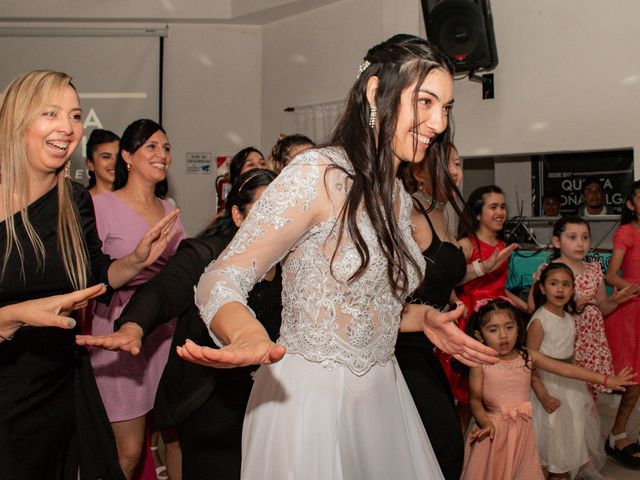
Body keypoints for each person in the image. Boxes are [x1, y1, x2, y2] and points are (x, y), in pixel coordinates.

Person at [177, 34, 496, 480]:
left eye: (445, 108)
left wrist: (420, 318)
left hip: (383, 395)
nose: (439, 123)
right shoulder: (317, 174)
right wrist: (245, 332)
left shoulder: (398, 198)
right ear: (374, 93)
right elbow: (221, 277)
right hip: (309, 404)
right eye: (425, 102)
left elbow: (360, 305)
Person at [0, 70, 179, 480]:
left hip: (63, 381)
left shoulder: (74, 199)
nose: (68, 128)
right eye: (50, 113)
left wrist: (135, 260)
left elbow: (96, 279)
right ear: (17, 120)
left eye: (75, 115)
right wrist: (15, 315)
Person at [77, 169, 280, 480]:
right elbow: (161, 292)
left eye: (282, 211)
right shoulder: (206, 254)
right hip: (210, 394)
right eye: (263, 210)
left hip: (268, 396)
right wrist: (134, 327)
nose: (275, 221)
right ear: (238, 215)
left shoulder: (291, 264)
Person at [88, 118, 186, 479]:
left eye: (166, 148)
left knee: (175, 435)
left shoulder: (169, 206)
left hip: (166, 330)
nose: (162, 155)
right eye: (152, 147)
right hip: (121, 331)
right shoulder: (101, 206)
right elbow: (91, 274)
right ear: (127, 156)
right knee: (127, 452)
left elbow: (181, 269)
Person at [461, 297, 636, 480]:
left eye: (509, 327)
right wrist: (485, 422)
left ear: (518, 328)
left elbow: (567, 369)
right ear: (479, 335)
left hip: (523, 430)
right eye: (493, 330)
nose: (503, 335)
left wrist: (606, 380)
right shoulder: (480, 363)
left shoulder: (527, 356)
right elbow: (474, 399)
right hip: (494, 431)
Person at [526, 216, 638, 395]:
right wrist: (570, 306)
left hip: (589, 345)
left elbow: (602, 308)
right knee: (562, 393)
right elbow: (533, 307)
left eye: (585, 237)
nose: (580, 244)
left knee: (587, 398)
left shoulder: (594, 270)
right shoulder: (549, 271)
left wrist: (615, 301)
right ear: (557, 241)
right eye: (573, 238)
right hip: (563, 342)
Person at [440, 185, 522, 419]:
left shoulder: (501, 246)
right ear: (478, 214)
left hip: (499, 320)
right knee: (468, 394)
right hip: (471, 322)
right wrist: (457, 304)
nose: (501, 212)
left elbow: (500, 286)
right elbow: (446, 282)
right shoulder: (466, 245)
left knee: (494, 391)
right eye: (493, 207)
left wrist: (524, 307)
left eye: (503, 207)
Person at [528, 263, 610, 479]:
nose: (560, 290)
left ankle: (561, 472)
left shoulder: (569, 319)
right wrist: (543, 395)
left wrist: (580, 391)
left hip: (569, 385)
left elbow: (569, 357)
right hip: (547, 386)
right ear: (543, 288)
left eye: (566, 285)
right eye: (554, 284)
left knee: (569, 439)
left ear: (573, 289)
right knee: (551, 440)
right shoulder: (539, 321)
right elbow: (530, 363)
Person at [603, 180, 640, 467]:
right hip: (631, 311)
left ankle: (620, 434)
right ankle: (618, 435)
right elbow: (611, 275)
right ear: (631, 204)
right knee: (632, 381)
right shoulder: (627, 232)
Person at [85, 128, 120, 196]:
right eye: (106, 157)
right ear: (90, 164)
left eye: (119, 157)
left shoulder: (137, 200)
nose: (115, 163)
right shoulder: (80, 203)